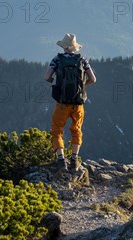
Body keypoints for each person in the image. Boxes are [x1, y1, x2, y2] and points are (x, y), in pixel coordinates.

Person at [44, 33, 96, 172]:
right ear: (74, 47)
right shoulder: (82, 60)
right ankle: (74, 159)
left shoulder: (57, 60)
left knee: (57, 130)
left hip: (62, 102)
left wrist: (56, 83)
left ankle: (61, 160)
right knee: (76, 130)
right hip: (78, 102)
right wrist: (82, 86)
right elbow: (93, 79)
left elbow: (47, 77)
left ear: (64, 47)